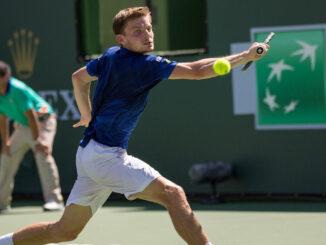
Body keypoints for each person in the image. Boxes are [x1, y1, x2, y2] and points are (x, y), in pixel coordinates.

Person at [0, 6, 269, 245]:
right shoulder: (146, 64)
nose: (147, 34)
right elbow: (198, 71)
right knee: (173, 194)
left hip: (88, 155)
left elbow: (78, 77)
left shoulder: (111, 55)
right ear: (122, 38)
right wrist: (245, 56)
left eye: (149, 28)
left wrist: (87, 114)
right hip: (105, 157)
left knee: (64, 231)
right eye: (137, 30)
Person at [0, 61, 64, 212]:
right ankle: (2, 203)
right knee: (6, 157)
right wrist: (5, 143)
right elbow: (2, 118)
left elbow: (32, 115)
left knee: (42, 155)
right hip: (24, 125)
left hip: (43, 120)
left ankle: (55, 201)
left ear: (6, 77)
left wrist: (38, 141)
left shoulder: (17, 89)